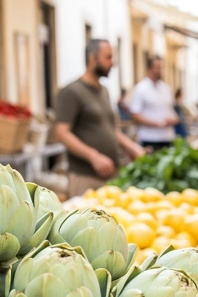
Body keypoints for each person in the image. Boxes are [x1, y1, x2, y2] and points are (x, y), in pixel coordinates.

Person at [54, 39, 146, 198]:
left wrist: (130, 146)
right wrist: (93, 156)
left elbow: (111, 128)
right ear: (93, 58)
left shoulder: (104, 91)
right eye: (108, 57)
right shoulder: (71, 92)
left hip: (111, 176)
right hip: (85, 178)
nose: (113, 63)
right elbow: (61, 132)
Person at [130, 55, 178, 150]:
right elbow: (135, 115)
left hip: (167, 138)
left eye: (161, 67)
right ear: (149, 68)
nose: (160, 70)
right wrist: (155, 123)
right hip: (149, 138)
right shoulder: (140, 88)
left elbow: (172, 111)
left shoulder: (166, 88)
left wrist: (173, 120)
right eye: (157, 67)